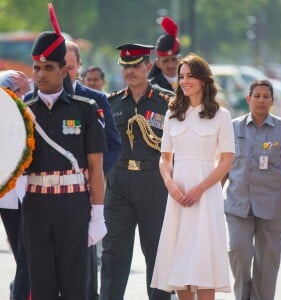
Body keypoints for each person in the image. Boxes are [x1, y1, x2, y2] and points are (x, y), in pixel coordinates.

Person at [22, 12, 107, 300]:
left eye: (48, 67)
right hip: (36, 206)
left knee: (75, 287)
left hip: (74, 207)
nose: (40, 74)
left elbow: (95, 167)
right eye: (36, 68)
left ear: (64, 71)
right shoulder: (23, 111)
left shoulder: (85, 109)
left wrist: (97, 214)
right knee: (42, 285)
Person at [151, 53, 234, 300]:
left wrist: (200, 189)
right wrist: (170, 184)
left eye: (190, 76)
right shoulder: (172, 113)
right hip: (177, 195)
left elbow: (227, 159)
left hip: (206, 196)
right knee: (179, 261)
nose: (184, 81)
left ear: (204, 80)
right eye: (181, 76)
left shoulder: (221, 115)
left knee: (204, 262)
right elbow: (164, 158)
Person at [99, 43, 174, 300]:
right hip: (119, 183)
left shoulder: (168, 103)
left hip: (154, 181)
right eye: (125, 66)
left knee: (157, 254)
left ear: (148, 67)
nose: (130, 71)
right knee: (113, 254)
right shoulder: (112, 102)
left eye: (135, 66)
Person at [223, 79, 281, 300]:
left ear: (272, 101)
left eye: (266, 97)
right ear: (248, 99)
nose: (261, 100)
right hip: (239, 206)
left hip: (274, 207)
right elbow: (224, 164)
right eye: (257, 96)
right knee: (239, 251)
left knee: (267, 264)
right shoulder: (233, 127)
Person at [64, 40, 121, 300]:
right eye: (59, 67)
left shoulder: (95, 100)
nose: (65, 73)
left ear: (79, 68)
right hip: (46, 193)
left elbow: (113, 144)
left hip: (84, 191)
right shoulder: (35, 100)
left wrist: (94, 174)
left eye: (70, 67)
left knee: (84, 263)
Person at [0, 70, 31, 300]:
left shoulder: (28, 112)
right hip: (11, 198)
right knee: (25, 257)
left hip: (26, 195)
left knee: (26, 257)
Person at [148, 16, 181, 92]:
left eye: (174, 59)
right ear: (158, 63)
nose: (171, 65)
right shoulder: (151, 88)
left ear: (180, 60)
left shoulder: (190, 83)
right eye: (165, 61)